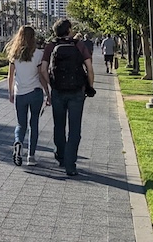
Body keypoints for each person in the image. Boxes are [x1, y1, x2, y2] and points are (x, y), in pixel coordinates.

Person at [39, 18, 94, 176]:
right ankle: (71, 165)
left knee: (59, 126)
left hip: (58, 92)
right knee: (75, 129)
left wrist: (52, 85)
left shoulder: (51, 46)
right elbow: (89, 68)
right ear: (69, 30)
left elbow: (43, 70)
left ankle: (61, 157)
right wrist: (90, 86)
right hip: (77, 91)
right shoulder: (78, 45)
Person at [6, 25, 50, 167]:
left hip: (20, 93)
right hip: (35, 92)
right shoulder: (38, 54)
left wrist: (11, 92)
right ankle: (31, 156)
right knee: (34, 123)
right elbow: (41, 75)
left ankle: (18, 142)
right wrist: (48, 92)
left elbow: (10, 75)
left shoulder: (14, 54)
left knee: (21, 124)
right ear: (33, 37)